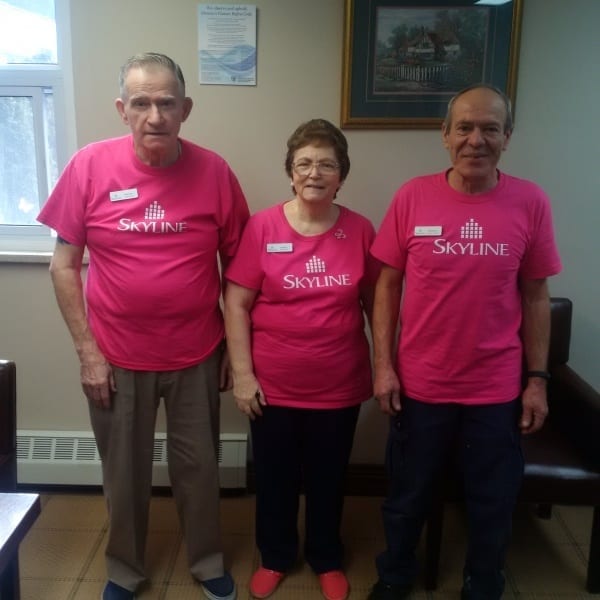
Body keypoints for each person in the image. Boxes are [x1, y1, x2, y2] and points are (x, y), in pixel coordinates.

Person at [37, 52, 250, 600]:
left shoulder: (216, 172)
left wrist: (233, 348)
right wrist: (88, 352)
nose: (155, 114)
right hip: (115, 356)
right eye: (141, 103)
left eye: (166, 102)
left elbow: (240, 273)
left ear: (186, 109)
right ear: (122, 109)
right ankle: (124, 570)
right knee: (124, 476)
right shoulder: (88, 166)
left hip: (197, 353)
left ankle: (206, 562)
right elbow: (63, 265)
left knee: (199, 470)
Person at [367, 84, 562, 600]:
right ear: (445, 136)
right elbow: (386, 286)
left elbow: (537, 297)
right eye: (465, 128)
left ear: (508, 137)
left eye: (490, 129)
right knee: (408, 496)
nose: (477, 140)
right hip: (420, 383)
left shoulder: (531, 201)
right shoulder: (412, 195)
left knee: (493, 500)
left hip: (495, 389)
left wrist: (537, 381)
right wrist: (382, 366)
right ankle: (395, 575)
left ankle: (483, 581)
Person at [224, 119, 379, 600]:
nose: (315, 172)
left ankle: (326, 556)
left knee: (329, 478)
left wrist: (391, 365)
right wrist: (244, 376)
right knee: (275, 479)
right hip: (273, 385)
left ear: (342, 174)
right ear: (290, 173)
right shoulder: (262, 227)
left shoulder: (359, 230)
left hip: (339, 384)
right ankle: (275, 556)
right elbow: (236, 303)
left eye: (327, 164)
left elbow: (378, 306)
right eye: (304, 163)